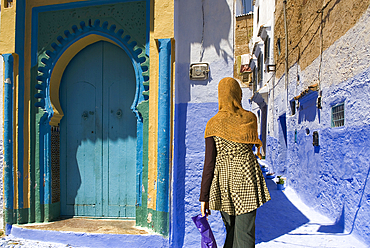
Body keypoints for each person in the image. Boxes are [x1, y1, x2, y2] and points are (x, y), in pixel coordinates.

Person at [199, 77, 271, 248]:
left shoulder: (213, 124)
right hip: (247, 177)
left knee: (231, 231)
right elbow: (253, 146)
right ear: (237, 94)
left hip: (223, 181)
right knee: (244, 232)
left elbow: (209, 162)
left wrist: (204, 197)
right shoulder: (250, 118)